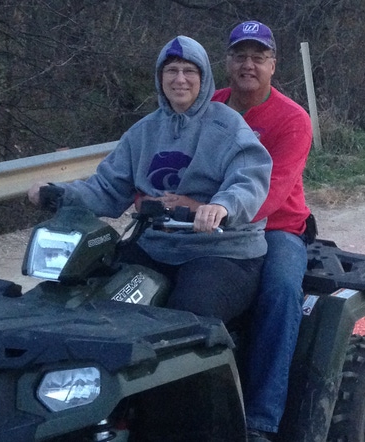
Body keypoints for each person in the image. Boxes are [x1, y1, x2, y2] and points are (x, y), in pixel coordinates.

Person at [27, 35, 273, 323]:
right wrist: (59, 194)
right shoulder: (143, 132)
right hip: (156, 246)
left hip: (221, 251)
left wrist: (222, 207)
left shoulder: (229, 126)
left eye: (189, 71)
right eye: (171, 70)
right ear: (160, 78)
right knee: (92, 299)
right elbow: (106, 189)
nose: (180, 79)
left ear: (204, 77)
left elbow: (249, 180)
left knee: (185, 319)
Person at [214, 21, 314, 442]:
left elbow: (273, 192)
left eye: (258, 57)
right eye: (240, 56)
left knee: (279, 292)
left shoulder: (292, 119)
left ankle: (261, 419)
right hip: (210, 222)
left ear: (273, 65)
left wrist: (219, 212)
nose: (248, 65)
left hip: (277, 228)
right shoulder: (211, 106)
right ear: (227, 62)